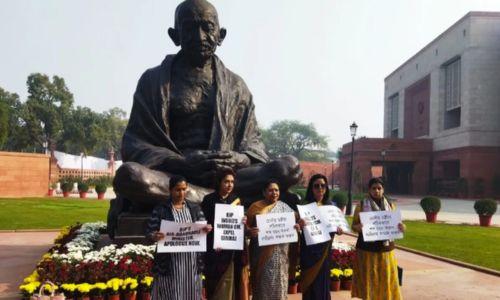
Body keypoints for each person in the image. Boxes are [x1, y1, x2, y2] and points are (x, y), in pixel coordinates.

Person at [110, 0, 301, 217]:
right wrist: (181, 163)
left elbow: (254, 144)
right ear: (175, 35)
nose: (199, 36)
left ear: (221, 35)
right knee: (131, 176)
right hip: (173, 174)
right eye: (189, 28)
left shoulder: (237, 86)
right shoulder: (153, 81)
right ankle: (216, 200)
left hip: (228, 176)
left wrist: (241, 159)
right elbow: (135, 144)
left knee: (289, 167)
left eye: (207, 28)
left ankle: (197, 198)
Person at [146, 175, 212, 300]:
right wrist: (154, 235)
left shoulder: (195, 209)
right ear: (170, 190)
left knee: (191, 293)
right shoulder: (161, 209)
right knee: (168, 294)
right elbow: (149, 233)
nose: (181, 193)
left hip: (191, 263)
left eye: (183, 189)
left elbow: (202, 227)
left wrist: (206, 229)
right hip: (169, 263)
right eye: (177, 189)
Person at [351, 177, 405, 300]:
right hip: (367, 250)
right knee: (368, 279)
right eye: (374, 188)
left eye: (379, 188)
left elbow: (398, 224)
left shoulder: (390, 205)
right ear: (369, 190)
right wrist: (358, 227)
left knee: (386, 278)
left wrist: (402, 227)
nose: (376, 191)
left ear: (383, 189)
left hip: (386, 250)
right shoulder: (361, 205)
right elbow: (353, 226)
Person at [246, 179, 299, 300]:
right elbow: (246, 228)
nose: (274, 193)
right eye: (270, 190)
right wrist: (249, 231)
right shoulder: (255, 207)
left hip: (281, 257)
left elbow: (295, 222)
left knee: (280, 287)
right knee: (262, 288)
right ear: (264, 192)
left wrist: (296, 226)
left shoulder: (284, 207)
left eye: (276, 190)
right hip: (261, 256)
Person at [200, 170, 249, 300]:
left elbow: (239, 227)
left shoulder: (236, 200)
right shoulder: (209, 200)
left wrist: (243, 222)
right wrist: (206, 227)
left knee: (233, 285)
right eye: (226, 181)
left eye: (232, 182)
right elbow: (202, 222)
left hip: (232, 253)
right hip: (215, 251)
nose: (229, 185)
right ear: (219, 182)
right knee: (216, 287)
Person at [299, 174, 343, 300]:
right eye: (316, 186)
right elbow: (296, 227)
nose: (320, 188)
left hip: (324, 251)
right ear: (311, 188)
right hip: (308, 251)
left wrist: (338, 230)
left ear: (326, 188)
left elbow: (335, 227)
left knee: (322, 283)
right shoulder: (305, 206)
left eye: (323, 185)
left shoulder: (330, 207)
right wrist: (299, 225)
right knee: (309, 284)